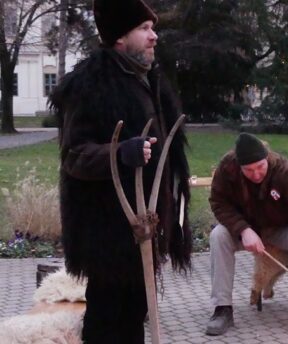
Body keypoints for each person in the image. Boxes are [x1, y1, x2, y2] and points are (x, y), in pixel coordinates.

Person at [49, 0, 192, 342]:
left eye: (152, 28)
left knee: (134, 316)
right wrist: (118, 152)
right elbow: (75, 154)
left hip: (144, 227)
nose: (154, 36)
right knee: (107, 321)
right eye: (144, 29)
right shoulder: (90, 86)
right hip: (110, 231)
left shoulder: (148, 80)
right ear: (119, 38)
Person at [207, 132, 288, 335]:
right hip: (242, 228)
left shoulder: (283, 169)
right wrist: (243, 229)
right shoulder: (227, 168)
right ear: (239, 167)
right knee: (218, 236)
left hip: (278, 228)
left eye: (260, 167)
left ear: (267, 158)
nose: (256, 174)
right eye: (249, 170)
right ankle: (222, 309)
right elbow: (218, 203)